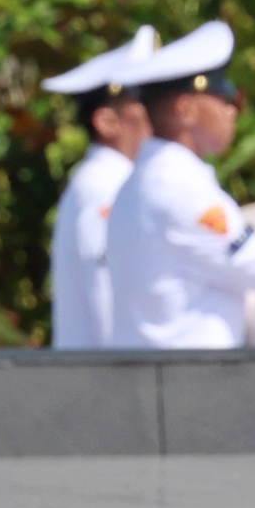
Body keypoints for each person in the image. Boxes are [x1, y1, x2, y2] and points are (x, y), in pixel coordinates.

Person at [105, 22, 255, 349]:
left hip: (169, 381)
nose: (233, 108)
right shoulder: (177, 190)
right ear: (184, 110)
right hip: (191, 385)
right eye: (224, 93)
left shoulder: (146, 182)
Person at [43, 25, 160, 348]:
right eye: (143, 98)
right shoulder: (104, 187)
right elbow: (106, 297)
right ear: (107, 122)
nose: (155, 109)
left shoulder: (111, 182)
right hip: (110, 383)